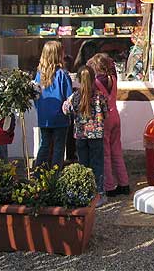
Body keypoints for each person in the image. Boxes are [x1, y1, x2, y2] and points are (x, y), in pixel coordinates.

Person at [62, 65, 108, 207]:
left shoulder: (75, 96)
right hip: (96, 135)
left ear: (79, 79)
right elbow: (105, 113)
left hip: (81, 135)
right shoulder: (100, 96)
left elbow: (65, 109)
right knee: (97, 164)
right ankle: (99, 194)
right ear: (94, 78)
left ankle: (85, 193)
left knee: (84, 164)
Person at [87, 53, 130, 197]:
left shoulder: (97, 81)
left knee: (105, 154)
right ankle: (124, 183)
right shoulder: (113, 78)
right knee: (117, 151)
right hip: (115, 116)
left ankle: (109, 186)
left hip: (103, 119)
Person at [34, 41, 73, 169]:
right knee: (59, 148)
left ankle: (39, 172)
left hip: (44, 117)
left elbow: (35, 96)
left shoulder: (39, 75)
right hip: (60, 118)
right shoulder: (62, 74)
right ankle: (56, 175)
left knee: (44, 145)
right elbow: (69, 98)